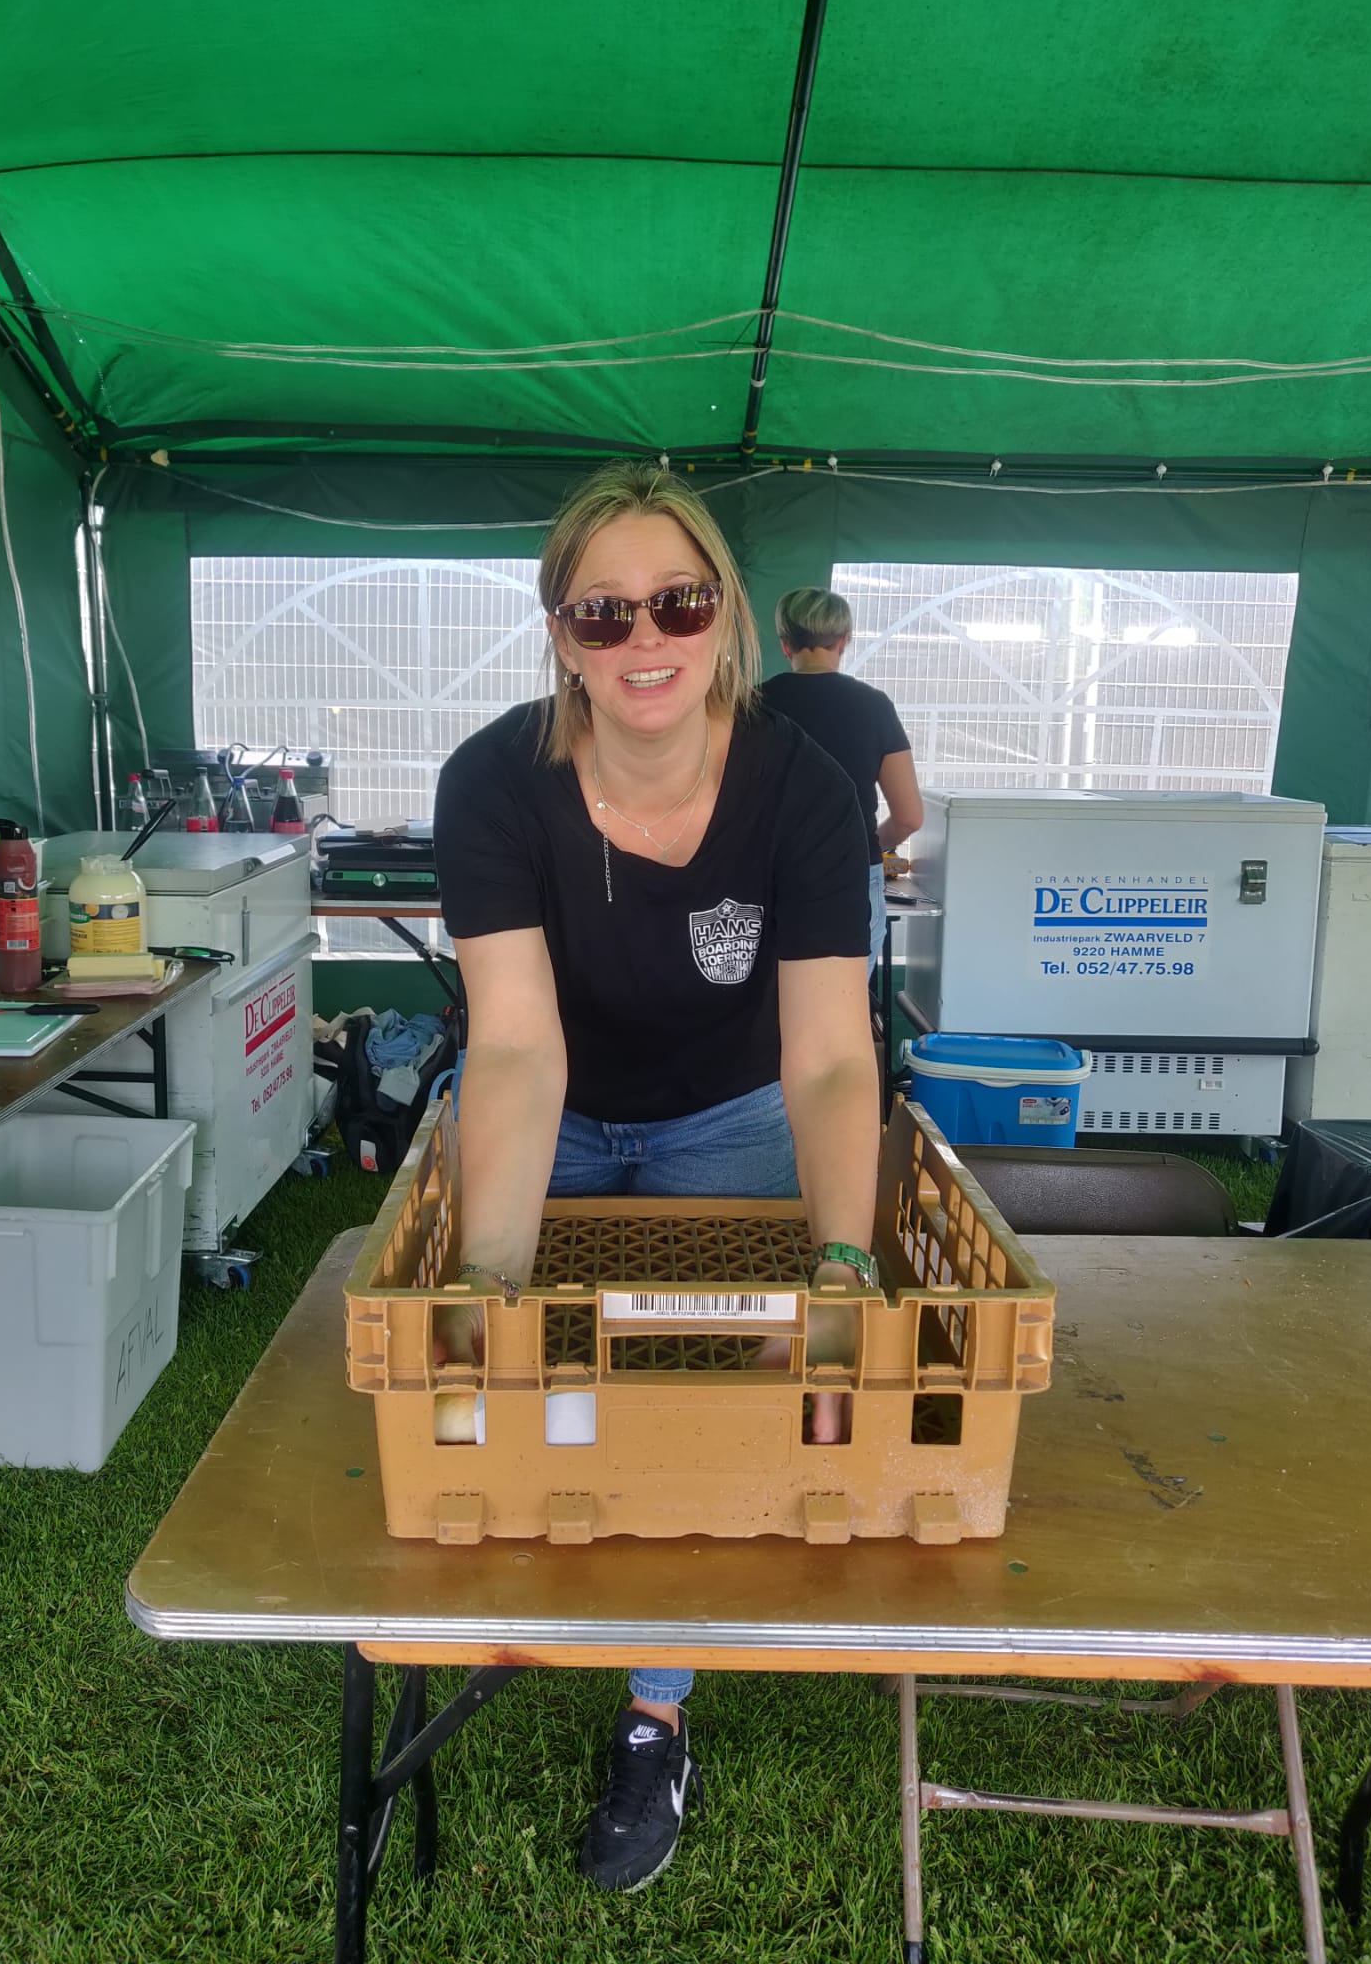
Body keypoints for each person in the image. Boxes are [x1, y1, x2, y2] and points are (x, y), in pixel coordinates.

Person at [433, 462, 880, 1894]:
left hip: (732, 1110)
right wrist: (489, 1278)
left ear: (727, 616)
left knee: (700, 1399)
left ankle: (655, 1707)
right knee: (540, 1374)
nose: (645, 639)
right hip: (555, 1109)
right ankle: (528, 1574)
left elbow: (830, 1055)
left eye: (678, 603)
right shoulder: (491, 781)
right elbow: (514, 1046)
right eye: (603, 612)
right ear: (560, 635)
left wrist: (844, 1259)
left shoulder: (805, 790)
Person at [761, 586, 924, 966]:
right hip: (851, 874)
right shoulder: (874, 707)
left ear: (785, 644)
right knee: (842, 998)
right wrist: (864, 844)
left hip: (771, 874)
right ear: (843, 640)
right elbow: (909, 817)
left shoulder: (752, 705)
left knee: (767, 998)